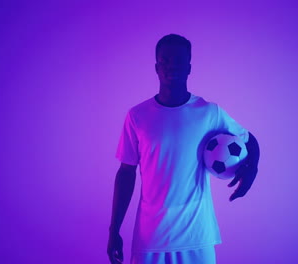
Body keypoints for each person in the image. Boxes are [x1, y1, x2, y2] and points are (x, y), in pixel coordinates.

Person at [108, 34, 260, 264]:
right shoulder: (137, 116)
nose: (172, 66)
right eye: (166, 60)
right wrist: (114, 229)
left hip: (197, 236)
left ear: (189, 67)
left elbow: (249, 139)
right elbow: (126, 172)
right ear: (156, 67)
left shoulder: (209, 112)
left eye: (179, 60)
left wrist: (252, 170)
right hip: (150, 239)